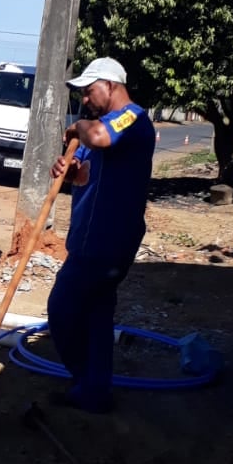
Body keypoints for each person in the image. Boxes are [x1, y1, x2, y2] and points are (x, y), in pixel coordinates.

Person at [47, 56, 155, 413]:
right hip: (90, 238)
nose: (86, 100)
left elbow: (97, 135)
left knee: (62, 310)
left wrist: (79, 127)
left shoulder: (131, 117)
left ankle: (85, 380)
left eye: (90, 91)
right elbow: (90, 177)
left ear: (111, 85)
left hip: (107, 242)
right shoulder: (107, 129)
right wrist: (73, 169)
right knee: (96, 315)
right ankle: (95, 391)